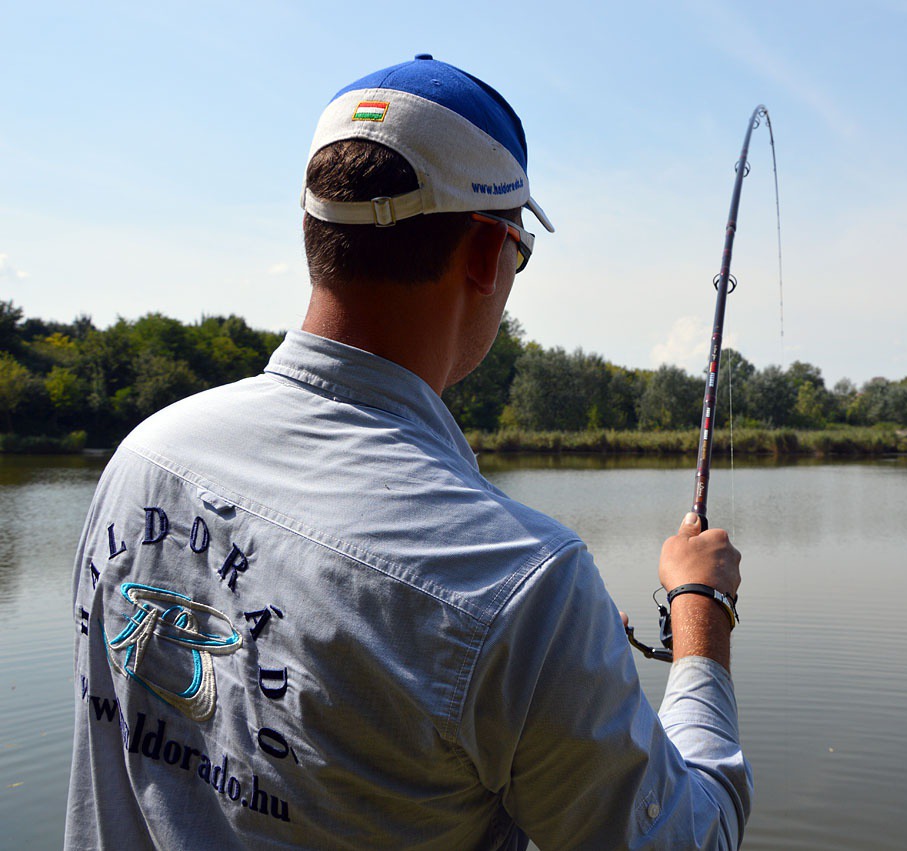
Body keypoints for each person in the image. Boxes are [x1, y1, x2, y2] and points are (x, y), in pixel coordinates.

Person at [66, 55, 750, 849]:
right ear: (488, 255)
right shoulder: (523, 583)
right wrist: (703, 617)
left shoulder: (144, 458)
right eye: (519, 254)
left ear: (311, 233)